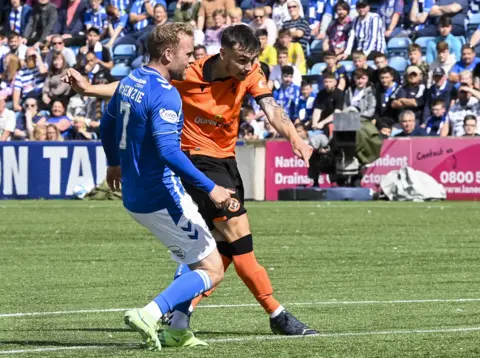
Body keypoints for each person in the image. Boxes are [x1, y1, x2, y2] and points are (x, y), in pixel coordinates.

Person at [65, 24, 317, 343]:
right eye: (241, 60)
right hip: (198, 163)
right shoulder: (187, 74)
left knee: (218, 247)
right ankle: (276, 314)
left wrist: (295, 137)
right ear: (222, 53)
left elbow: (271, 108)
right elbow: (132, 89)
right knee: (239, 241)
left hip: (225, 162)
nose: (248, 67)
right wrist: (89, 90)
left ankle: (181, 316)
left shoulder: (251, 73)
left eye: (252, 60)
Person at [84, 23, 231, 351]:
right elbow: (168, 151)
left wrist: (112, 162)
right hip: (161, 195)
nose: (192, 61)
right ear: (168, 53)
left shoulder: (131, 79)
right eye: (188, 53)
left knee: (193, 256)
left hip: (135, 197)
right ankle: (149, 313)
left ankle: (178, 329)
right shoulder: (166, 94)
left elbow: (107, 123)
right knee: (213, 268)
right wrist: (211, 188)